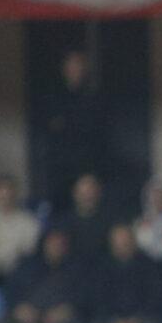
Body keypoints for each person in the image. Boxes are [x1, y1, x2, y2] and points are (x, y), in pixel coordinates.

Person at [36, 49, 109, 210]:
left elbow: (94, 130)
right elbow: (52, 127)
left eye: (80, 67)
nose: (76, 72)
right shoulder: (54, 97)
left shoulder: (94, 98)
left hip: (87, 166)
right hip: (60, 169)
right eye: (72, 67)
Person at [5, 227, 90, 323]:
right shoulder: (27, 266)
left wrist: (67, 311)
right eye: (53, 241)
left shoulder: (77, 269)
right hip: (28, 317)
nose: (56, 246)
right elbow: (11, 292)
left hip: (61, 321)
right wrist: (20, 309)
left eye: (60, 243)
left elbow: (84, 298)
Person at [94, 222, 162, 323]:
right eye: (117, 244)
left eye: (125, 243)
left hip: (141, 320)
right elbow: (99, 300)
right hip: (111, 322)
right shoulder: (103, 268)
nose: (121, 247)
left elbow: (155, 298)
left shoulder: (148, 266)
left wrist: (135, 322)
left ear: (133, 242)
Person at [0, 175, 41, 286]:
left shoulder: (29, 223)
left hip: (22, 277)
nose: (5, 201)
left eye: (8, 196)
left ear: (15, 196)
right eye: (1, 197)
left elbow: (30, 250)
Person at [56, 172, 113, 265]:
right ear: (75, 194)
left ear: (98, 194)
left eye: (90, 193)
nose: (87, 197)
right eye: (84, 194)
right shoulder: (64, 223)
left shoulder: (110, 222)